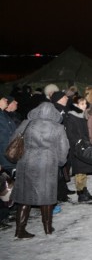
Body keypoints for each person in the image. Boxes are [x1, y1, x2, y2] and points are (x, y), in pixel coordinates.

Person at [11, 102, 69, 238]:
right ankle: (48, 228)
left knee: (25, 197)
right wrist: (60, 162)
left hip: (26, 163)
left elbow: (13, 139)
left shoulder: (27, 124)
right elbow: (63, 148)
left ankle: (19, 230)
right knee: (46, 197)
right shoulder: (57, 127)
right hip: (47, 164)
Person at [64, 96, 92, 202]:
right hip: (78, 148)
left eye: (85, 103)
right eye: (82, 104)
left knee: (83, 171)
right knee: (80, 171)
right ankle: (81, 193)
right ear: (75, 105)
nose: (85, 105)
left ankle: (84, 191)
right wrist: (79, 143)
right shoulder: (72, 117)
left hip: (84, 146)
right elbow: (71, 134)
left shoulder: (82, 116)